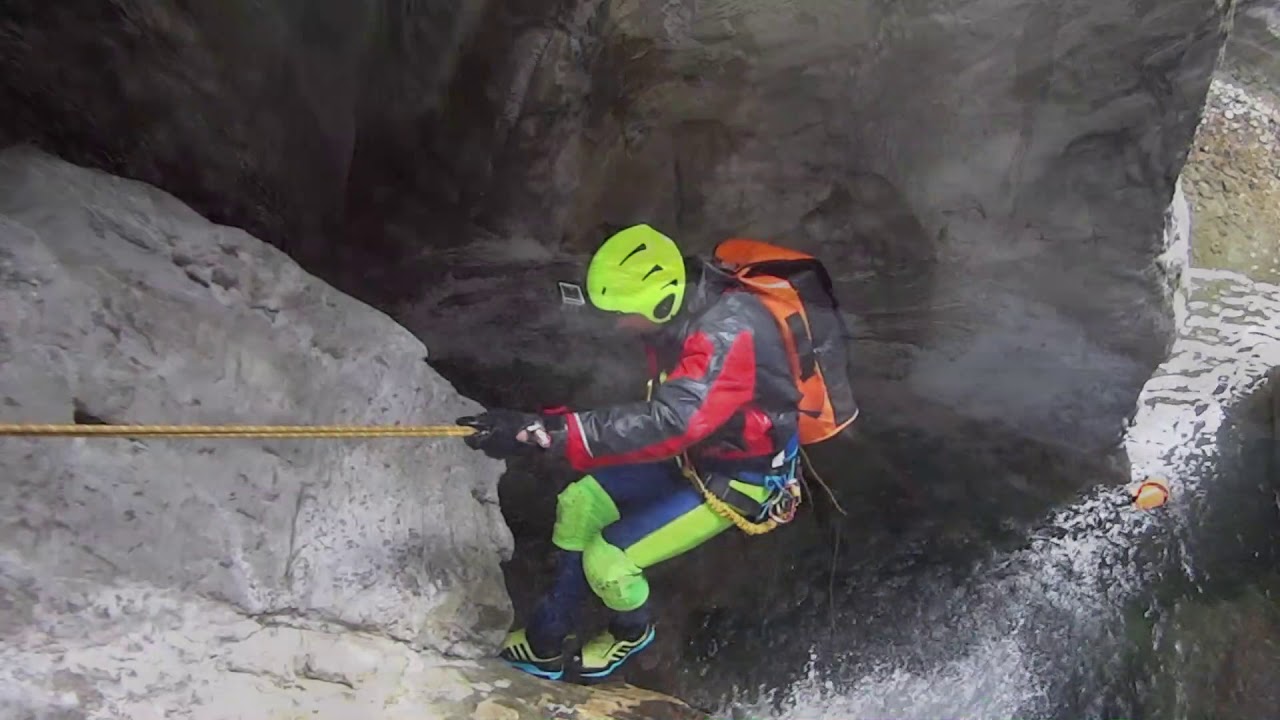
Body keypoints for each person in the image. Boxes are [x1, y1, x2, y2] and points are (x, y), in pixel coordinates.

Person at [456, 223, 811, 683]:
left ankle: (632, 629)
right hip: (693, 455)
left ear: (659, 303)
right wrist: (538, 426)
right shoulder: (682, 307)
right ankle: (546, 640)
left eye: (623, 314)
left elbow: (672, 423)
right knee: (579, 503)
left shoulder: (727, 333)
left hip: (741, 477)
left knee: (608, 562)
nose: (618, 324)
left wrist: (550, 433)